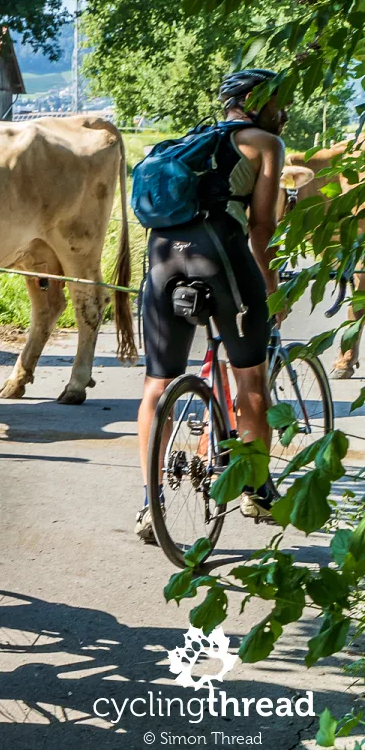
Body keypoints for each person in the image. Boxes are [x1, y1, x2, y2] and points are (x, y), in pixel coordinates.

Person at [134, 68, 287, 543]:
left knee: (157, 384)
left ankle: (150, 501)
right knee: (250, 378)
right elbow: (261, 228)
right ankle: (256, 490)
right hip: (219, 255)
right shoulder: (265, 143)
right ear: (256, 103)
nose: (283, 112)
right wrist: (271, 287)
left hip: (162, 258)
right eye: (278, 102)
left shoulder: (187, 143)